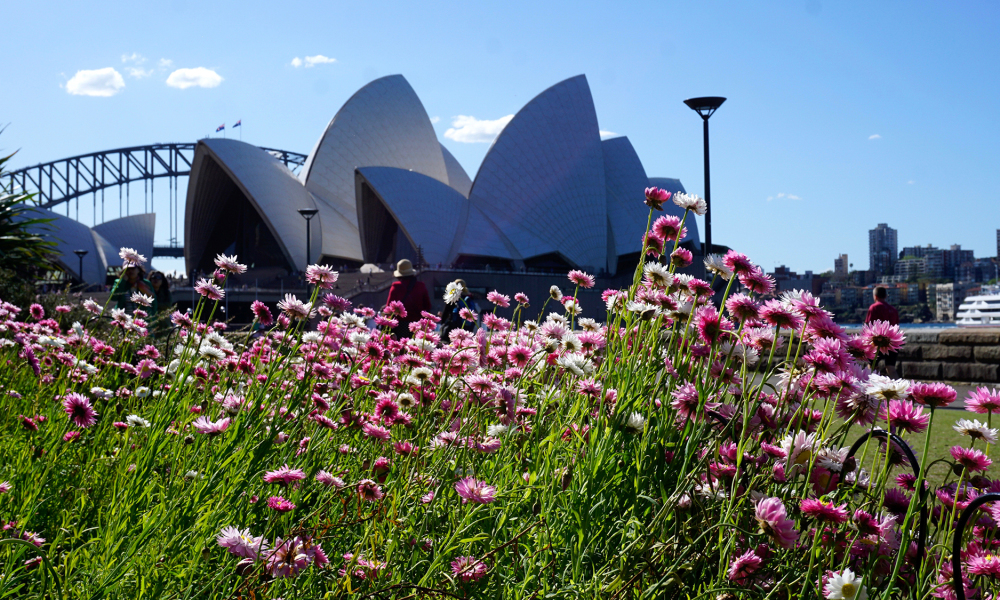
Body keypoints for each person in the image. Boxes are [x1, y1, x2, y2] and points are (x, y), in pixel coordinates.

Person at [385, 259, 431, 339]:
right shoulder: (421, 286)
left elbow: (388, 309)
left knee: (400, 349)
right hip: (417, 326)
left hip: (400, 327)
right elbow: (428, 306)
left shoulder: (395, 287)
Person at [866, 286, 900, 378]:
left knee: (872, 367)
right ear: (885, 296)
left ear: (875, 296)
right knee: (891, 368)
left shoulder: (874, 308)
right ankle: (898, 388)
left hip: (877, 341)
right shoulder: (893, 309)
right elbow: (897, 326)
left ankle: (869, 388)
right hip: (892, 342)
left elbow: (869, 325)